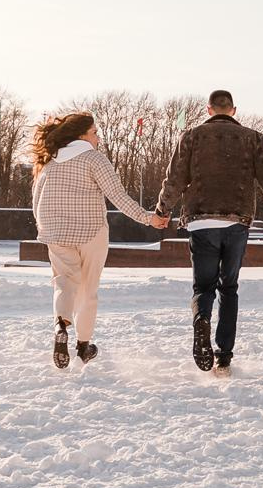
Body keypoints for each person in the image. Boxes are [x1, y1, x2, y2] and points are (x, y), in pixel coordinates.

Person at [157, 90, 263, 377]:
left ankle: (201, 318)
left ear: (209, 109)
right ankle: (223, 357)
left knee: (203, 287)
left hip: (201, 221)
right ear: (233, 110)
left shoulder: (191, 136)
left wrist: (163, 211)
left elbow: (174, 178)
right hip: (237, 221)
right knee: (229, 287)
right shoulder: (253, 138)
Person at [29, 111, 166, 369]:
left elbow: (37, 200)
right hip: (90, 232)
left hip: (55, 232)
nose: (98, 138)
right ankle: (82, 346)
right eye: (94, 133)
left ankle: (61, 324)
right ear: (81, 135)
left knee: (64, 283)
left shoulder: (49, 162)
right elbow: (118, 196)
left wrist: (44, 228)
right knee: (88, 290)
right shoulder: (93, 159)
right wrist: (149, 219)